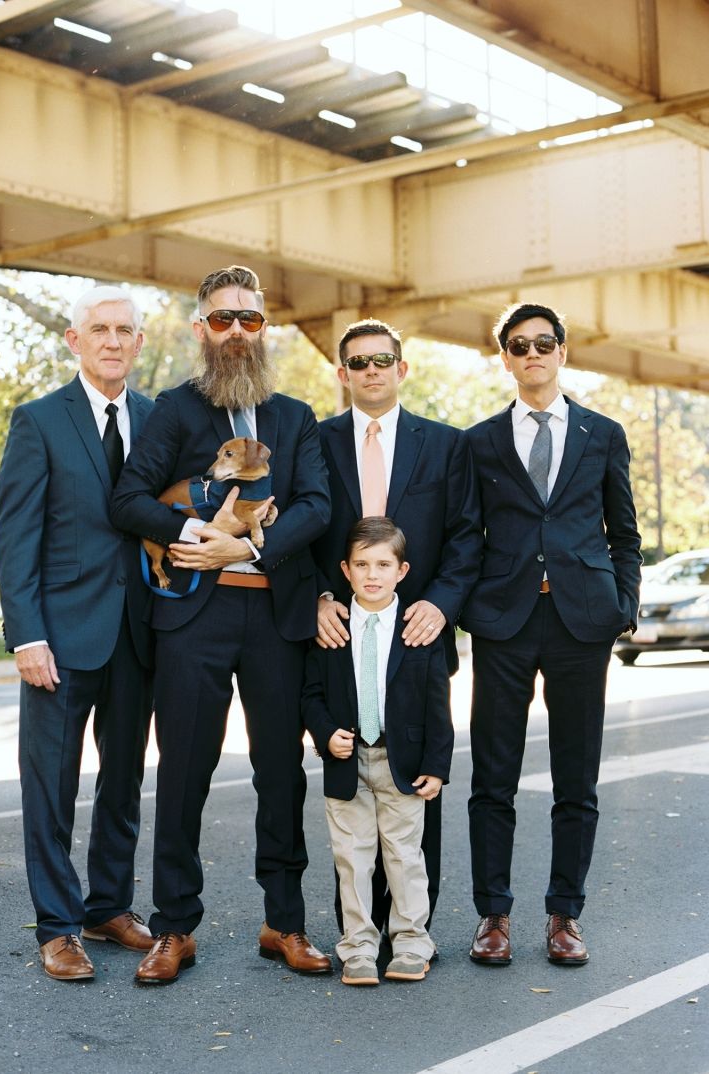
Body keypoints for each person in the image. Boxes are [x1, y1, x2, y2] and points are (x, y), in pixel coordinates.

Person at [110, 265, 332, 984]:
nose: (237, 331)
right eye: (222, 319)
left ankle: (285, 923)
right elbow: (127, 499)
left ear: (264, 329)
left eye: (250, 319)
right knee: (182, 774)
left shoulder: (297, 417)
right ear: (200, 329)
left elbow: (318, 508)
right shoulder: (174, 411)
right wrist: (196, 529)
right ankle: (174, 928)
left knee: (280, 773)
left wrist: (253, 544)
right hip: (193, 619)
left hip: (275, 615)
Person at [460, 302, 642, 967]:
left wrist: (623, 606)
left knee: (576, 778)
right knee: (493, 776)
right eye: (519, 345)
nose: (532, 353)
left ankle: (565, 916)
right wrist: (468, 609)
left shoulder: (602, 434)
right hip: (503, 623)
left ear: (562, 352)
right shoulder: (478, 442)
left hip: (580, 623)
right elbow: (465, 536)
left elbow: (624, 534)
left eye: (544, 343)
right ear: (505, 358)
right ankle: (494, 917)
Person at [0, 285, 155, 981]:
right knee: (51, 788)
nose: (113, 340)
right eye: (100, 329)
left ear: (138, 343)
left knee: (122, 782)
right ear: (74, 340)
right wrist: (26, 635)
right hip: (59, 639)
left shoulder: (157, 420)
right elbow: (16, 534)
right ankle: (59, 927)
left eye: (124, 330)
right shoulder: (38, 422)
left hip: (141, 635)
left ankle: (108, 905)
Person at [311, 318, 481, 932]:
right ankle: (358, 931)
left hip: (417, 635)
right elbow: (302, 529)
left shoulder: (444, 444)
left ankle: (413, 931)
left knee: (415, 786)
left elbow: (465, 538)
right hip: (341, 635)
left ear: (402, 368)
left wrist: (441, 603)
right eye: (358, 362)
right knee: (349, 787)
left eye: (382, 360)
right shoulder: (318, 440)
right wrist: (317, 597)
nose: (372, 370)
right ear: (343, 374)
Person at [303, 518, 454, 986]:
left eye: (383, 564)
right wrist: (326, 734)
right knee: (353, 858)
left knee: (405, 856)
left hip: (401, 762)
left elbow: (438, 703)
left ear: (402, 570)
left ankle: (410, 941)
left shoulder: (418, 628)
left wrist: (436, 766)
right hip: (347, 761)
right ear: (345, 570)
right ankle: (359, 946)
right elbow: (310, 694)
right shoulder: (333, 628)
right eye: (362, 564)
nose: (372, 574)